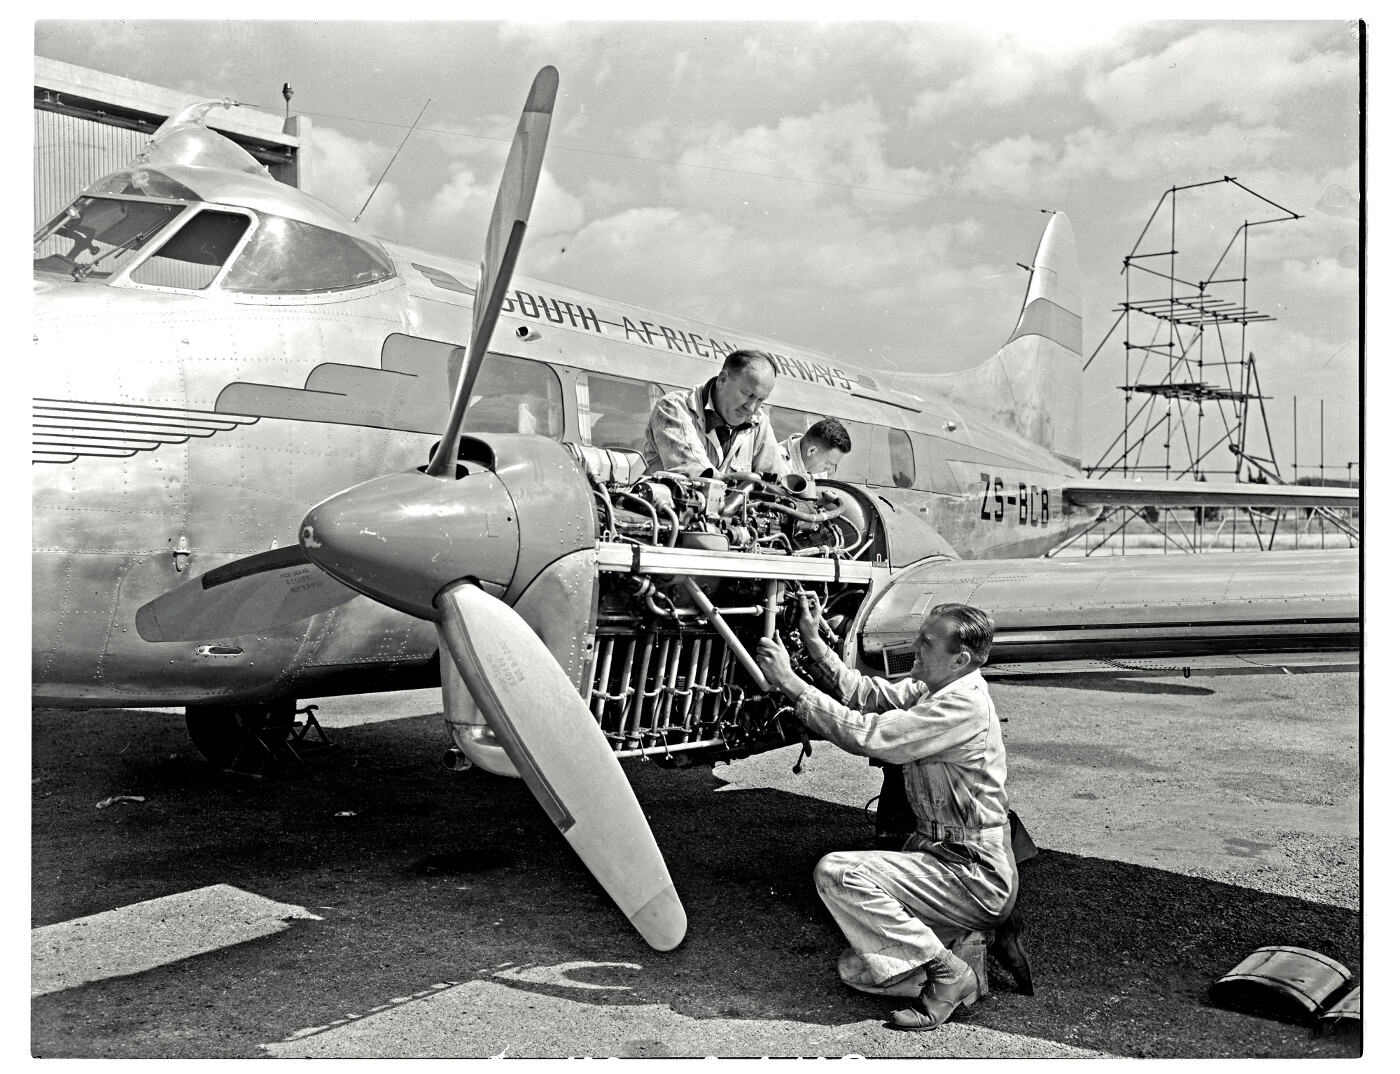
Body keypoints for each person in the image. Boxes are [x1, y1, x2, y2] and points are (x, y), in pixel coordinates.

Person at [755, 598, 1032, 1032]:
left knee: (837, 873)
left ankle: (948, 971)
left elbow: (871, 735)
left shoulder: (962, 705)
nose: (914, 646)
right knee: (856, 970)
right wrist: (814, 646)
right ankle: (968, 950)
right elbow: (865, 694)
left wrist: (791, 685)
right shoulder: (939, 686)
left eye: (926, 641)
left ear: (958, 659)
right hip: (944, 857)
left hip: (972, 873)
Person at [642, 349, 789, 480]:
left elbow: (778, 482)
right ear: (722, 380)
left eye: (761, 400)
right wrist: (749, 480)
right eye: (747, 394)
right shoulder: (674, 408)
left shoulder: (759, 423)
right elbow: (695, 472)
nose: (751, 408)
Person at [779, 417, 851, 478]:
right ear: (812, 450)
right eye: (827, 463)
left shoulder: (817, 464)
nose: (828, 470)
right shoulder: (777, 463)